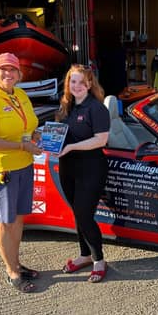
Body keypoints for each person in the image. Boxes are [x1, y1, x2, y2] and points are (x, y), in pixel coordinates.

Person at [0, 52, 42, 293]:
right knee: (6, 221)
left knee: (20, 218)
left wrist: (34, 137)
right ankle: (12, 271)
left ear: (19, 74)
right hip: (3, 168)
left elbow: (28, 127)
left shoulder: (22, 95)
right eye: (3, 69)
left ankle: (16, 262)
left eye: (12, 70)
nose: (8, 73)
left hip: (25, 164)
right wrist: (22, 146)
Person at [57, 64, 110, 283]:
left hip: (91, 168)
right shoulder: (66, 107)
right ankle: (84, 255)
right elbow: (59, 135)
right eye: (72, 81)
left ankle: (99, 260)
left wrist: (70, 147)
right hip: (68, 168)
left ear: (89, 84)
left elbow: (101, 140)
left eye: (81, 81)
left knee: (84, 214)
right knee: (77, 214)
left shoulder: (96, 108)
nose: (76, 86)